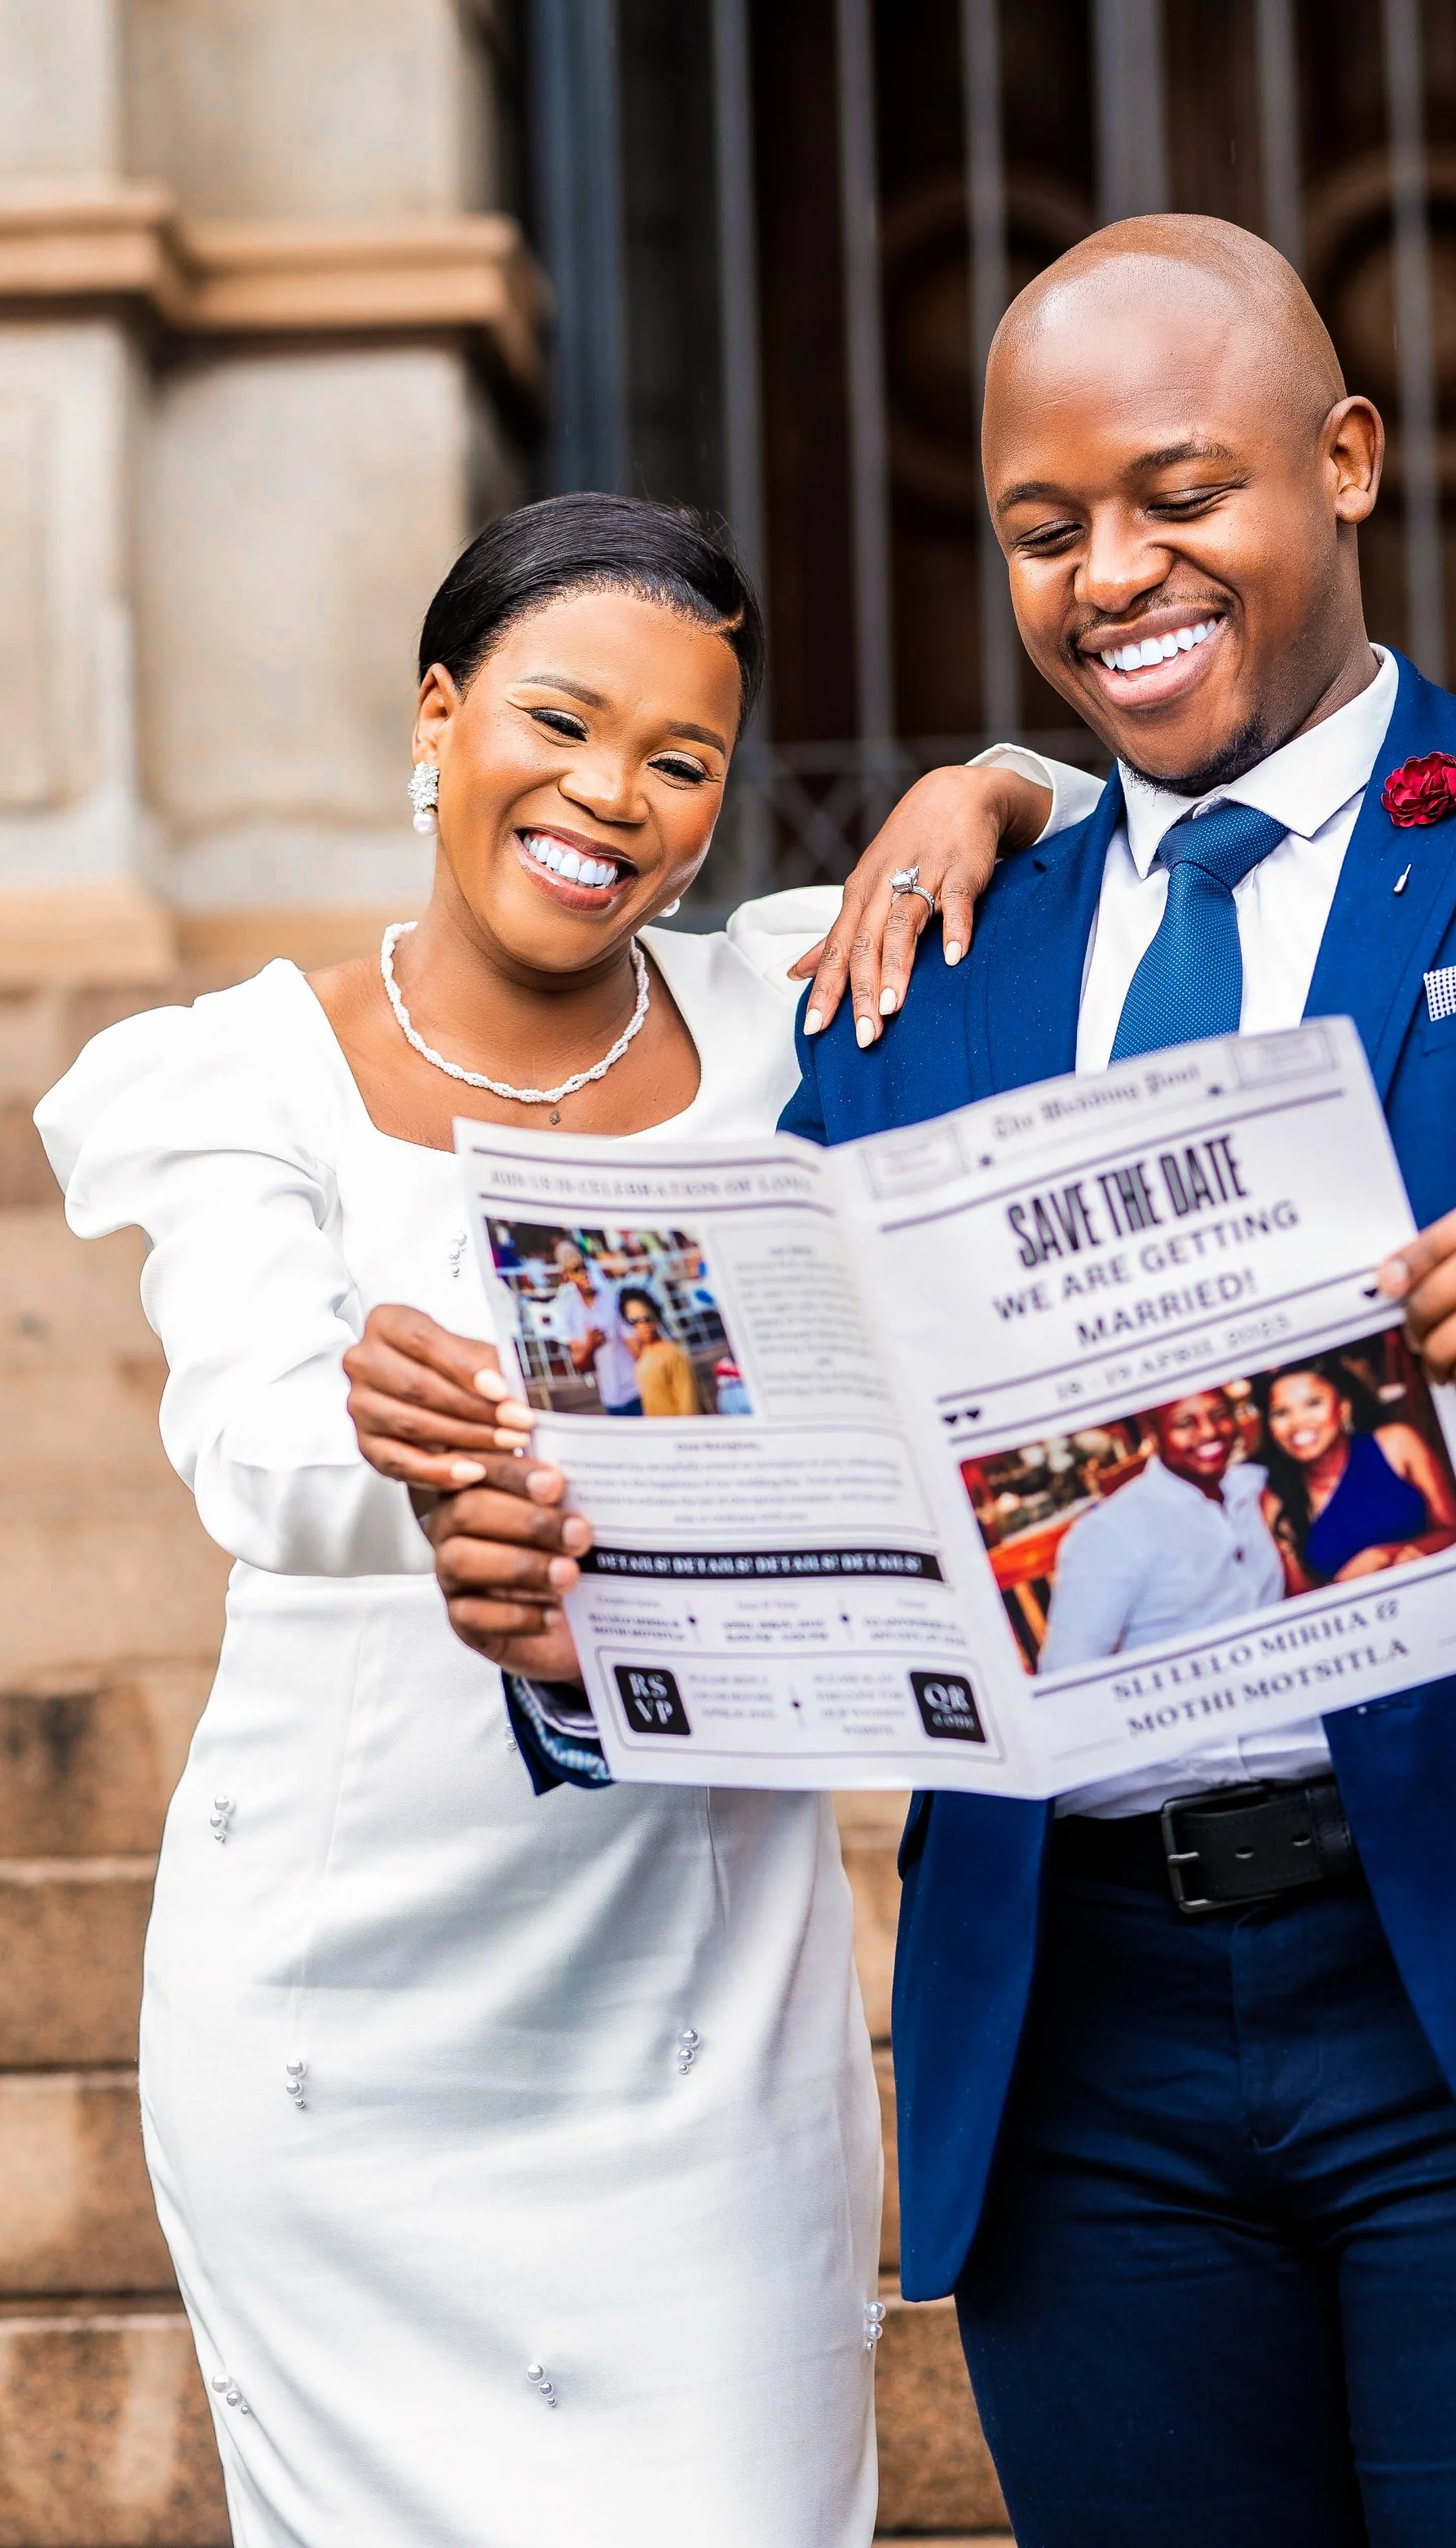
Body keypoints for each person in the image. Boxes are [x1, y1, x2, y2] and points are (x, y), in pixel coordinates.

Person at [386, 218, 1456, 2546]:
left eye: (1181, 493)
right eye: (1045, 529)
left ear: (1345, 458)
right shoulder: (920, 957)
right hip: (1088, 2059)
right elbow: (825, 1494)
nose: (1111, 575)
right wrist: (593, 1618)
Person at [33, 490, 1061, 2548]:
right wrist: (407, 1474)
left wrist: (989, 783)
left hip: (697, 2014)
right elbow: (253, 1433)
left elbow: (1103, 831)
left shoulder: (786, 1012)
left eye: (682, 761)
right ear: (440, 715)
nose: (613, 796)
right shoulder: (246, 1073)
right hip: (345, 2014)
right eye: (560, 722)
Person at [1035, 1389, 1283, 1672]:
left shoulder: (1254, 1485)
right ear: (1152, 1434)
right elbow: (1068, 1670)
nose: (1209, 1432)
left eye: (1219, 1415)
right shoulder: (1110, 1532)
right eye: (1184, 1424)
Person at [1254, 1356, 1456, 1588]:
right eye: (1281, 1413)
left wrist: (1385, 1555)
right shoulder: (1276, 1497)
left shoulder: (1397, 1444)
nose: (1297, 1422)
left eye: (1313, 1403)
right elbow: (1302, 1598)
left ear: (1343, 1408)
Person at [549, 1237, 638, 1413]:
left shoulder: (612, 1298)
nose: (584, 1273)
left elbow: (634, 1343)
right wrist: (590, 1344)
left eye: (585, 1267)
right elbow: (580, 1363)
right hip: (611, 1396)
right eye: (577, 1270)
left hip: (636, 1388)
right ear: (567, 1275)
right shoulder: (569, 1309)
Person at [615, 1286, 701, 1417]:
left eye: (646, 1318)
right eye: (634, 1321)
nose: (642, 1325)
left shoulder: (672, 1353)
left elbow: (689, 1404)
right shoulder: (644, 1356)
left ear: (656, 1315)